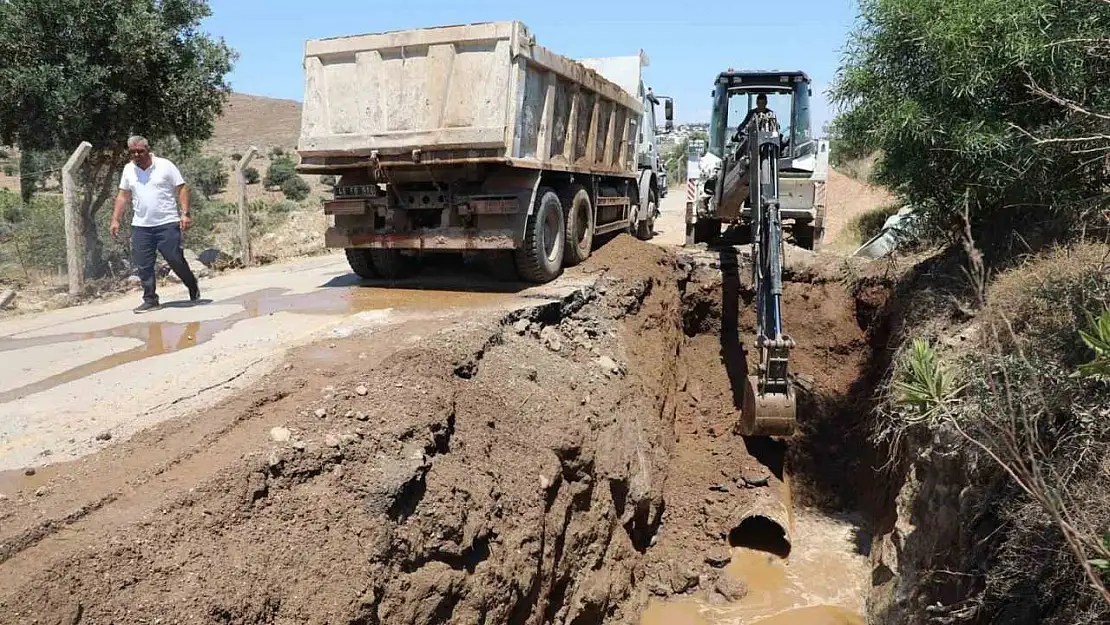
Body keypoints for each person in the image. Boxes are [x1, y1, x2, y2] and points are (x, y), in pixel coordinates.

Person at [110, 135, 201, 313]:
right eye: (133, 152)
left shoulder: (165, 165)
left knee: (174, 258)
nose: (137, 154)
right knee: (143, 264)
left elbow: (182, 188)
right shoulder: (129, 170)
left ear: (148, 149)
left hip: (167, 222)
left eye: (140, 151)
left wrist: (185, 214)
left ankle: (191, 284)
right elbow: (123, 196)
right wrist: (115, 219)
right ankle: (150, 299)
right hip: (141, 225)